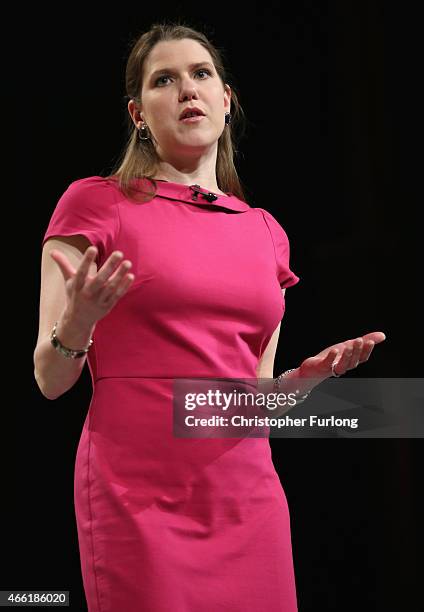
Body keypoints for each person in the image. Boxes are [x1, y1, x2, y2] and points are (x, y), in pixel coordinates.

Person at [33, 21, 386, 612]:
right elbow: (49, 379)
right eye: (163, 80)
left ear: (227, 100)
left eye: (201, 75)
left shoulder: (265, 232)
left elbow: (253, 399)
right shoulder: (96, 203)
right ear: (138, 112)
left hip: (245, 493)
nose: (186, 90)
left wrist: (307, 383)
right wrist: (80, 322)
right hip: (138, 493)